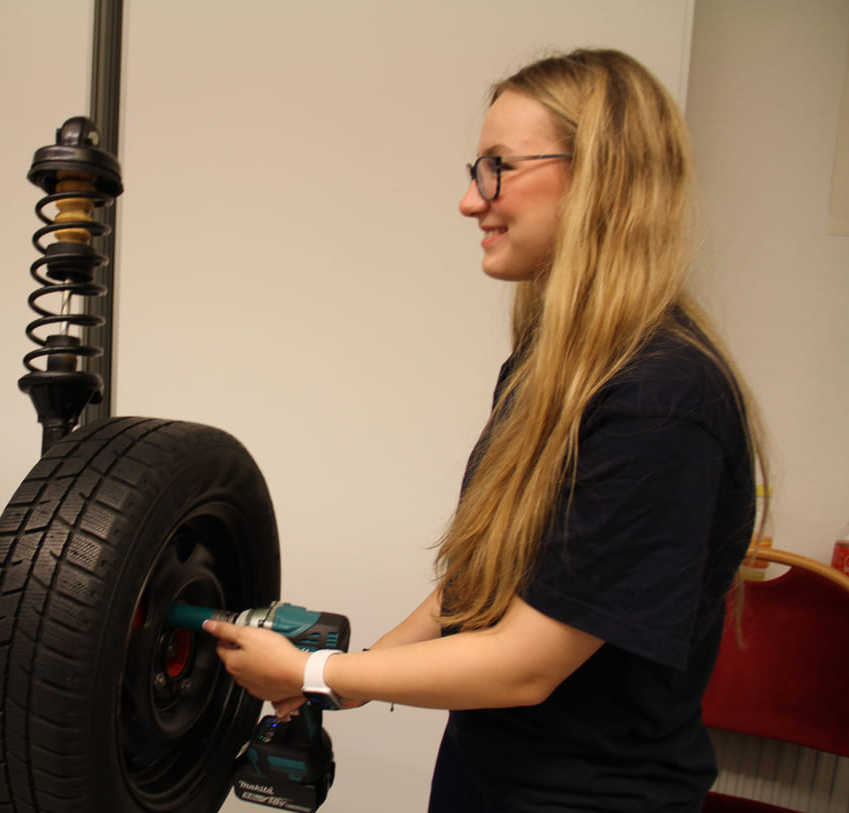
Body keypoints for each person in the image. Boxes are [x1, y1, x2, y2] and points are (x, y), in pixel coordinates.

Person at [205, 48, 765, 812]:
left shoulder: (663, 399)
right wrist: (357, 672)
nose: (472, 201)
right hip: (483, 774)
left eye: (497, 166)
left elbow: (526, 663)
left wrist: (312, 674)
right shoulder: (549, 366)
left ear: (600, 174)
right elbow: (480, 584)